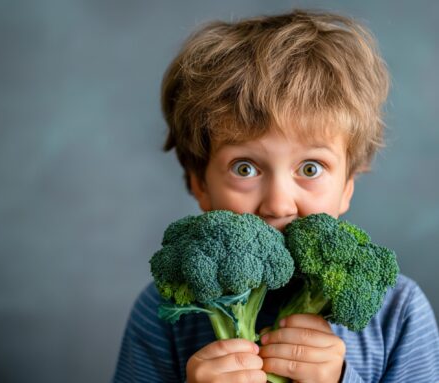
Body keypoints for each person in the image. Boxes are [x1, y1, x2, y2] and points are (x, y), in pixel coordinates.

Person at [112, 9, 439, 383]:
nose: (279, 204)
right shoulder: (162, 308)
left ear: (347, 186)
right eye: (245, 168)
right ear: (200, 184)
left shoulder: (398, 312)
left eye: (310, 168)